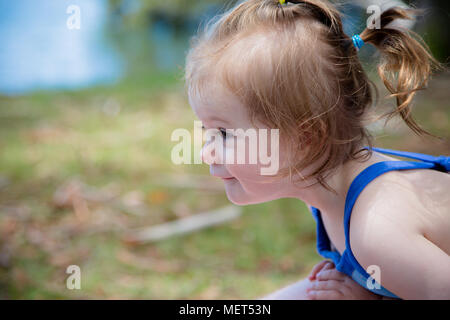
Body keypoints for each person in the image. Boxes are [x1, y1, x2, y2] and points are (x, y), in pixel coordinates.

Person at [184, 0, 450, 299]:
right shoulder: (330, 189)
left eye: (224, 132)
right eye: (207, 131)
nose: (206, 151)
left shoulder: (377, 230)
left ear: (305, 138)